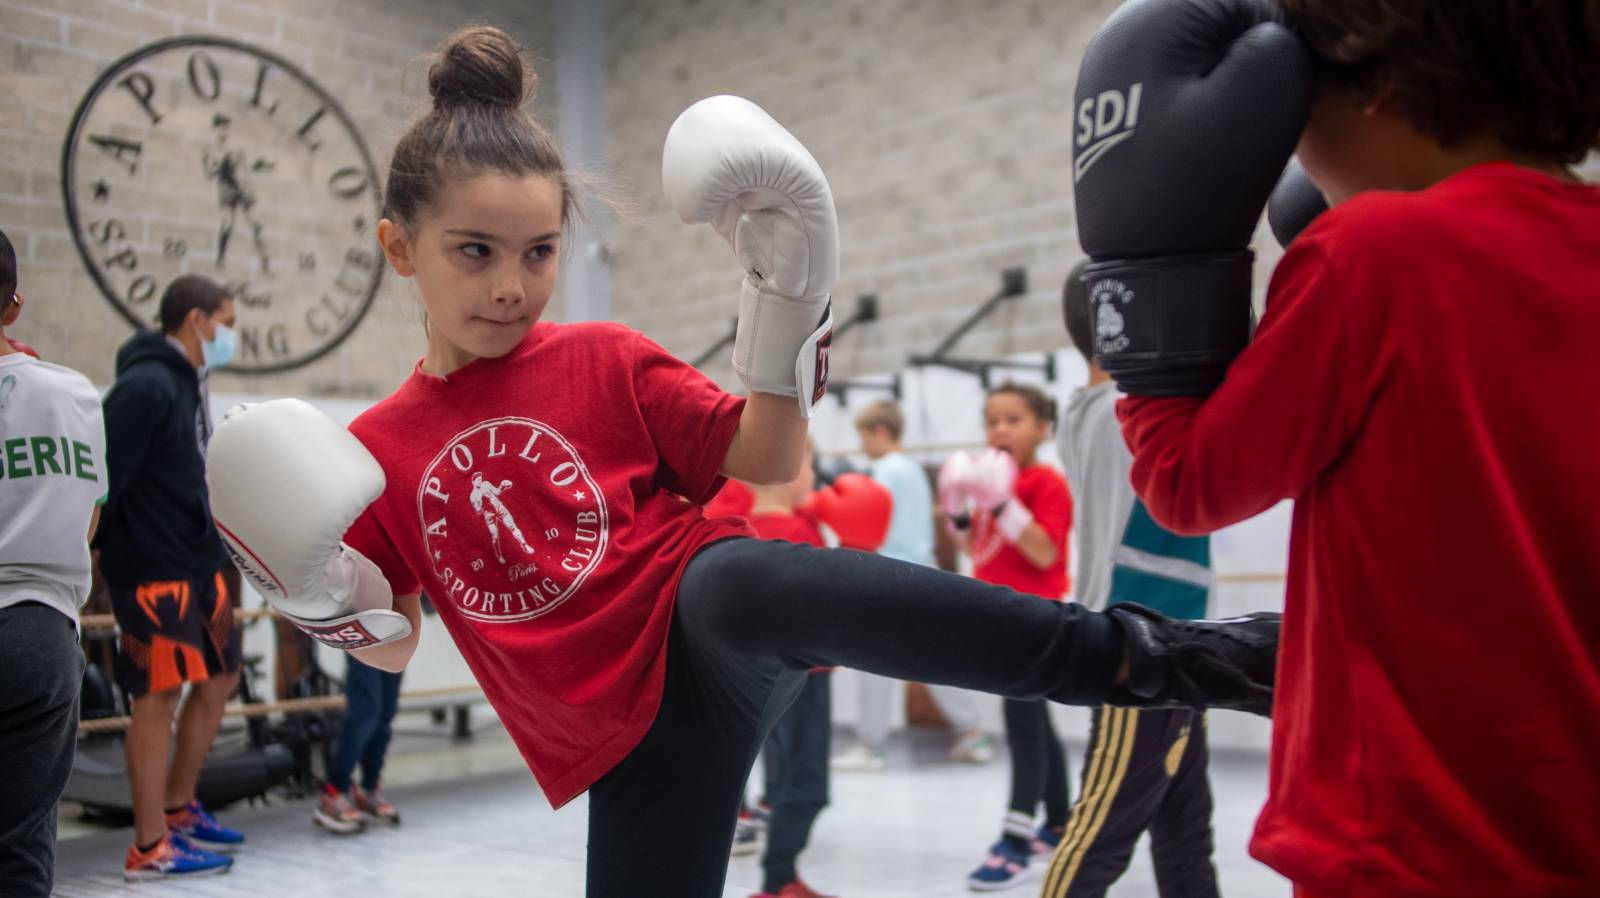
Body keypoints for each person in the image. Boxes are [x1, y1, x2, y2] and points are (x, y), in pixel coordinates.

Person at [205, 26, 1279, 898]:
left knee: (747, 574)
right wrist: (316, 591)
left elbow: (770, 456)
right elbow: (390, 650)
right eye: (474, 252)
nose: (511, 286)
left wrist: (789, 301)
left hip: (701, 621)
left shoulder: (600, 355)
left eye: (537, 253)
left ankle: (1170, 660)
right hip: (620, 740)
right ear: (401, 248)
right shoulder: (378, 448)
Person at [1070, 1, 1600, 895]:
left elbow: (1187, 480)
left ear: (1375, 80)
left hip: (1412, 837)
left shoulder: (1376, 254)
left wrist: (1152, 275)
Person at [1040, 262, 1221, 898]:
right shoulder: (1121, 411)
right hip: (1140, 644)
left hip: (1179, 642)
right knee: (1099, 836)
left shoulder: (1088, 409)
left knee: (1185, 830)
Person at [96, 273, 242, 879]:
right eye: (226, 324)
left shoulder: (187, 383)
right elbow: (102, 484)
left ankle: (178, 809)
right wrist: (95, 565)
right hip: (154, 573)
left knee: (220, 679)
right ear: (196, 320)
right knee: (155, 697)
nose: (231, 336)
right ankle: (148, 845)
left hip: (197, 562)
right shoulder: (145, 387)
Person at [0, 228, 107, 897]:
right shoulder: (74, 395)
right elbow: (89, 516)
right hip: (42, 629)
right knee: (22, 850)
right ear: (13, 305)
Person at [939, 383, 1074, 891]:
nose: (999, 429)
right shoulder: (991, 482)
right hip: (998, 615)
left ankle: (1015, 841)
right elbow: (975, 544)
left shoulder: (1044, 482)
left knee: (1023, 726)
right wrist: (957, 503)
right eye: (992, 420)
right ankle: (1059, 822)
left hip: (1037, 618)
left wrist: (1001, 503)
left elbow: (1042, 552)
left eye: (1013, 419)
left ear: (1041, 428)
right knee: (1035, 720)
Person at [829, 400, 993, 773]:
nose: (862, 446)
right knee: (933, 659)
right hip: (923, 572)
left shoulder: (884, 470)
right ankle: (973, 733)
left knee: (872, 661)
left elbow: (868, 521)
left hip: (889, 575)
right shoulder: (916, 471)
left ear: (880, 432)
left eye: (863, 437)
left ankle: (870, 745)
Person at [740, 441, 837, 898]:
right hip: (805, 679)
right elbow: (828, 606)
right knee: (807, 784)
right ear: (790, 468)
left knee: (783, 779)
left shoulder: (739, 528)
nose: (816, 475)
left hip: (761, 681)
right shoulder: (799, 531)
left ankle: (783, 878)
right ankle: (777, 882)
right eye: (813, 465)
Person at [313, 653, 405, 833]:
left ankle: (368, 790)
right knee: (365, 712)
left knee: (386, 712)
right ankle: (334, 791)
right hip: (362, 633)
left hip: (396, 631)